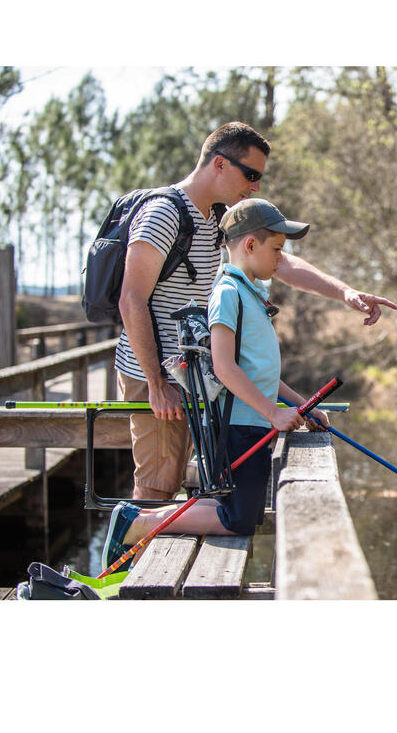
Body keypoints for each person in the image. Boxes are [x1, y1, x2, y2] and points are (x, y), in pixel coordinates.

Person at [116, 121, 397, 501]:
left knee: (178, 482)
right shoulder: (164, 214)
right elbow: (131, 299)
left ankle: (144, 551)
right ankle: (124, 558)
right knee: (155, 486)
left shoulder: (216, 219)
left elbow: (281, 265)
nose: (255, 187)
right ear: (219, 164)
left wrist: (345, 292)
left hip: (192, 376)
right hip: (156, 374)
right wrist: (154, 384)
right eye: (251, 175)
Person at [101, 198, 329, 572]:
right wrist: (272, 412)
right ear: (250, 246)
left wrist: (302, 405)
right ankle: (138, 523)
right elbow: (223, 367)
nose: (280, 259)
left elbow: (262, 373)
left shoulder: (251, 294)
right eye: (276, 249)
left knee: (244, 511)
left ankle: (137, 520)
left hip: (253, 421)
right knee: (238, 517)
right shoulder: (229, 293)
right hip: (240, 425)